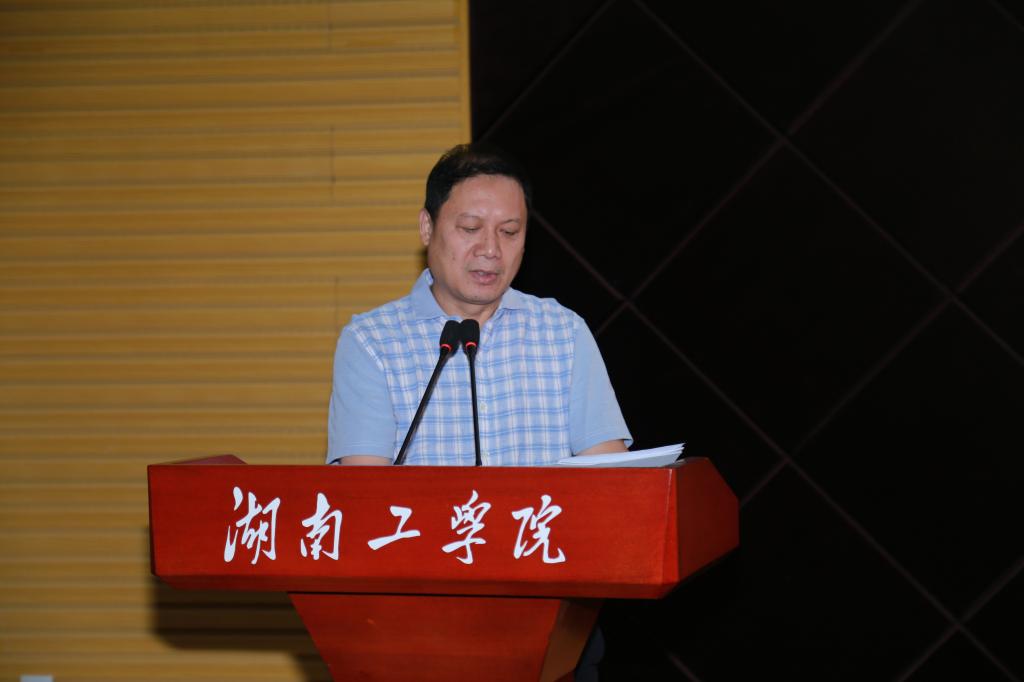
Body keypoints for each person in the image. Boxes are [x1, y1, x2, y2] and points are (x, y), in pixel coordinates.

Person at [326, 143, 632, 466]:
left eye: (509, 232)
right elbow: (364, 488)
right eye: (471, 228)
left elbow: (612, 477)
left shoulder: (564, 334)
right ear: (427, 227)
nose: (490, 249)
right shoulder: (372, 342)